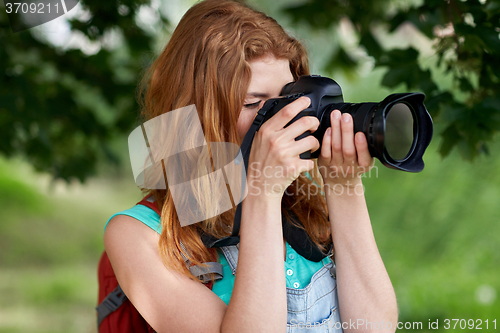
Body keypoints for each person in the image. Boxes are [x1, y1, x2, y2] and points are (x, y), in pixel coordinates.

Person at [103, 0, 398, 332]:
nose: (279, 118)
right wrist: (261, 192)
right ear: (197, 113)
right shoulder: (139, 235)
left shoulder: (304, 210)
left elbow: (375, 328)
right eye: (254, 103)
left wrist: (344, 188)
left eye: (287, 100)